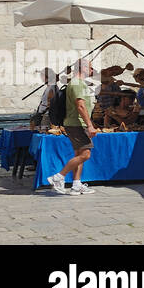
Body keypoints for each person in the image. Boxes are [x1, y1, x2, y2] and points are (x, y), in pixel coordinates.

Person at [48, 59, 97, 195]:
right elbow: (80, 105)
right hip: (76, 124)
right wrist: (90, 125)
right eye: (91, 68)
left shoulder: (78, 83)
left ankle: (76, 184)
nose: (92, 71)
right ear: (84, 68)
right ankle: (58, 177)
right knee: (86, 154)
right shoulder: (77, 84)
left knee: (79, 154)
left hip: (76, 123)